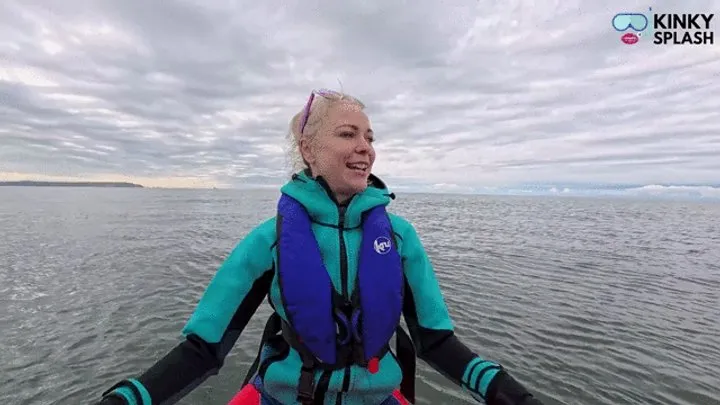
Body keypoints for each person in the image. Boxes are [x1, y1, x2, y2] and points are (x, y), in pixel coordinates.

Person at [92, 89, 545, 405]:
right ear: (308, 149)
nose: (365, 148)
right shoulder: (268, 240)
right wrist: (125, 398)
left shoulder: (400, 237)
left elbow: (437, 341)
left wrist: (512, 394)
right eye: (348, 134)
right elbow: (202, 350)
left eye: (370, 137)